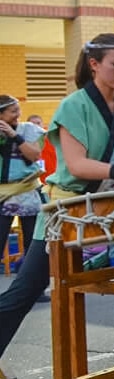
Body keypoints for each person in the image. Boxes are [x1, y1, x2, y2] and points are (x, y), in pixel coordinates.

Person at [0, 34, 114, 371]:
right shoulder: (74, 106)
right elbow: (76, 165)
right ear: (94, 64)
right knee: (27, 289)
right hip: (71, 212)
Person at [0, 96, 44, 259]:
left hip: (28, 190)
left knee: (33, 241)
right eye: (13, 111)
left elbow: (34, 155)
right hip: (3, 194)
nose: (18, 114)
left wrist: (14, 135)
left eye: (18, 109)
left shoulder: (29, 129)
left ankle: (30, 279)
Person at [27, 114, 57, 183]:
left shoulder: (52, 137)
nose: (36, 125)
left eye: (38, 123)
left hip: (53, 175)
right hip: (36, 179)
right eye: (33, 124)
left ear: (43, 124)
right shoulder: (24, 141)